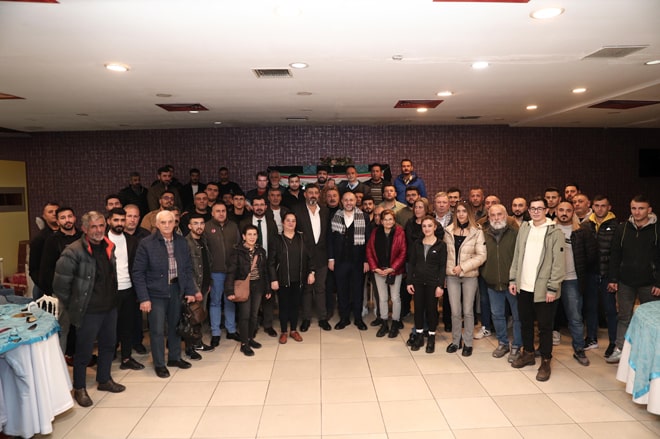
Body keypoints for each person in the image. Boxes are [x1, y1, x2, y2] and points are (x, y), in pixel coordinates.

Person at [53, 211, 126, 407]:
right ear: (85, 228)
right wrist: (76, 306)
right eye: (93, 226)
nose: (98, 230)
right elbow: (60, 286)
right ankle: (79, 388)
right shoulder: (73, 251)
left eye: (101, 226)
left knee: (108, 346)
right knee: (84, 351)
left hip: (109, 307)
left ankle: (104, 379)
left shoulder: (109, 246)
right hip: (88, 311)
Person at [133, 210, 198, 378]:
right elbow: (138, 273)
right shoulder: (146, 243)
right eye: (163, 222)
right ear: (157, 224)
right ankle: (159, 364)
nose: (167, 225)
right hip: (155, 293)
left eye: (170, 221)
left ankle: (174, 358)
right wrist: (144, 298)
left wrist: (190, 290)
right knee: (157, 330)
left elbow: (187, 268)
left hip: (177, 289)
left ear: (175, 223)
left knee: (176, 326)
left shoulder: (181, 241)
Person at [509, 196, 565, 382]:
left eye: (539, 208)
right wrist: (513, 279)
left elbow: (559, 263)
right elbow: (517, 255)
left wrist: (552, 287)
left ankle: (546, 360)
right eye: (532, 208)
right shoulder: (525, 228)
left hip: (544, 288)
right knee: (525, 322)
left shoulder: (554, 232)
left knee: (545, 326)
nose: (535, 212)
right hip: (524, 285)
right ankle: (528, 353)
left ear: (546, 210)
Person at [606, 194, 660, 363]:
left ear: (649, 210)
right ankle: (620, 349)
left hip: (650, 283)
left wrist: (659, 282)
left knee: (650, 318)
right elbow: (615, 255)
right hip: (625, 282)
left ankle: (650, 352)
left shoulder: (657, 229)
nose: (637, 212)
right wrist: (613, 279)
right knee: (624, 316)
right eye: (634, 208)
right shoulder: (622, 228)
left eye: (641, 208)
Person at [554, 201, 597, 366]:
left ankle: (579, 349)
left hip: (572, 279)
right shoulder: (549, 230)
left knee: (575, 317)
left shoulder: (582, 231)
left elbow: (591, 256)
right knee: (546, 318)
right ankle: (544, 349)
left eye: (568, 210)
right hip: (552, 280)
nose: (564, 213)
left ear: (573, 212)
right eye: (561, 210)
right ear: (556, 211)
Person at [444, 202, 487, 357]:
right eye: (458, 211)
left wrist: (462, 267)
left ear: (469, 213)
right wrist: (445, 274)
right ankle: (456, 341)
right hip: (451, 276)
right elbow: (445, 254)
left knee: (468, 311)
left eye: (464, 211)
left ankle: (468, 343)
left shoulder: (477, 231)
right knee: (455, 311)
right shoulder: (448, 230)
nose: (461, 214)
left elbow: (481, 256)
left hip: (469, 276)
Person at [481, 204, 522, 362]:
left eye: (499, 214)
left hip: (512, 283)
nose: (496, 218)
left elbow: (521, 257)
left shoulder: (515, 233)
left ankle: (517, 345)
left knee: (518, 316)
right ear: (489, 217)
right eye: (493, 215)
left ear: (506, 216)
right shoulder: (483, 234)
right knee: (497, 315)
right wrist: (485, 273)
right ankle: (503, 343)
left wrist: (516, 278)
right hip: (492, 282)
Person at [105, 208, 144, 371]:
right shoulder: (102, 240)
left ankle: (126, 358)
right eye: (116, 220)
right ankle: (108, 356)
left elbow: (137, 266)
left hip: (128, 289)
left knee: (127, 326)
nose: (120, 223)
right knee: (109, 327)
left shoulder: (132, 240)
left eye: (122, 220)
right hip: (108, 291)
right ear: (109, 221)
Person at [269, 212, 315, 344]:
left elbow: (310, 257)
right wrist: (273, 279)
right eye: (288, 220)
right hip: (282, 279)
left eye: (293, 221)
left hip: (299, 279)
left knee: (295, 305)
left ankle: (293, 330)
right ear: (283, 223)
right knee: (284, 306)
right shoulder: (277, 239)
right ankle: (284, 331)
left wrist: (312, 272)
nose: (291, 223)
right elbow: (271, 262)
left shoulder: (302, 238)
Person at [225, 224, 271, 356]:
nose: (252, 237)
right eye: (249, 234)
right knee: (245, 315)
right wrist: (229, 291)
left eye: (254, 234)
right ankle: (244, 344)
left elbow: (265, 271)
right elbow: (231, 272)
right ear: (244, 236)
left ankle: (250, 338)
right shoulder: (237, 252)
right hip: (244, 286)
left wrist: (267, 288)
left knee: (254, 315)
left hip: (258, 286)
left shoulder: (260, 251)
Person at [328, 191, 371, 330]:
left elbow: (368, 241)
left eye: (351, 200)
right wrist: (331, 258)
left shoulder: (364, 217)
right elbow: (330, 240)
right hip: (340, 261)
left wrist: (366, 260)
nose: (348, 202)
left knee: (358, 290)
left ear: (356, 201)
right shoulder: (335, 216)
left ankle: (358, 319)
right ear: (342, 201)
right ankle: (344, 318)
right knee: (342, 290)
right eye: (346, 200)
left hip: (358, 261)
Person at [292, 184, 332, 331]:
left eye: (316, 192)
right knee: (307, 289)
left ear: (319, 194)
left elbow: (328, 235)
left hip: (322, 256)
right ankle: (306, 319)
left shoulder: (325, 211)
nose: (313, 195)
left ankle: (323, 318)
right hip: (304, 257)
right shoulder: (297, 210)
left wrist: (331, 257)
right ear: (305, 194)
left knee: (321, 288)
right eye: (310, 192)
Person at [583, 195, 618, 357]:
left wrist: (614, 278)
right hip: (590, 273)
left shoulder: (616, 226)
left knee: (610, 310)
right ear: (592, 207)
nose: (600, 209)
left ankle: (613, 342)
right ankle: (591, 338)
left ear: (609, 207)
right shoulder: (586, 225)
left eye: (603, 206)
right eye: (597, 205)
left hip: (607, 275)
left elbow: (617, 254)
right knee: (590, 308)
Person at [406, 216, 447, 353]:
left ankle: (431, 337)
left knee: (431, 310)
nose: (427, 229)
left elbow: (442, 267)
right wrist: (409, 282)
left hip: (432, 283)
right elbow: (411, 264)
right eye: (424, 226)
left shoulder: (441, 245)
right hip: (418, 282)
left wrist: (440, 285)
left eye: (430, 226)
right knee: (418, 309)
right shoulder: (416, 244)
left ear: (435, 227)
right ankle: (418, 335)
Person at [239, 196, 279, 337]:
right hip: (250, 265)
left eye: (262, 204)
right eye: (256, 204)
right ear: (252, 207)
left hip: (268, 262)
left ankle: (268, 325)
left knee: (268, 295)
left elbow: (275, 242)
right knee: (252, 297)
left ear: (266, 207)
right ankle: (253, 326)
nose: (259, 207)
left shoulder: (271, 222)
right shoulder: (244, 222)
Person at [204, 203, 242, 346]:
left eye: (223, 211)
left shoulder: (233, 226)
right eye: (218, 211)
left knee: (230, 300)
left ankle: (231, 330)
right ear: (212, 213)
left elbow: (239, 247)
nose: (221, 213)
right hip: (215, 272)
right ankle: (215, 332)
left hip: (231, 272)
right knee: (215, 302)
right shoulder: (207, 227)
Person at [366, 209, 407, 338]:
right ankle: (384, 323)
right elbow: (369, 250)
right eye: (385, 219)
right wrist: (374, 268)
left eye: (390, 219)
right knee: (382, 298)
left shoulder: (400, 232)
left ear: (394, 220)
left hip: (395, 271)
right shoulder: (375, 232)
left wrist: (392, 268)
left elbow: (403, 252)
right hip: (379, 270)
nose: (388, 222)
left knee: (395, 298)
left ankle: (395, 323)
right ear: (381, 221)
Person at [184, 213, 215, 359]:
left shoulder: (204, 240)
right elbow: (187, 269)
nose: (199, 226)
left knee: (199, 316)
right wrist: (194, 290)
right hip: (194, 287)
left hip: (204, 285)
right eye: (195, 223)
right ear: (189, 226)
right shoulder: (186, 243)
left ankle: (198, 343)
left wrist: (208, 283)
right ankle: (190, 348)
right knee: (191, 318)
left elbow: (207, 263)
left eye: (202, 223)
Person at [29, 201, 60, 300]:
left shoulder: (70, 235)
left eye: (56, 211)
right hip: (43, 289)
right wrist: (43, 285)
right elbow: (33, 268)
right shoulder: (39, 239)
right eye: (50, 212)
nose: (54, 214)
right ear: (44, 216)